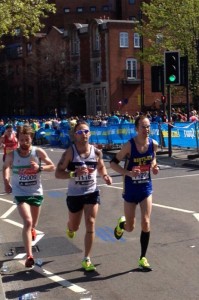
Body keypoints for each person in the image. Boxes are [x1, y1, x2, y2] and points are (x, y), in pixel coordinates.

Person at [55, 121, 112, 271]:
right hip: (75, 194)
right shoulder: (70, 152)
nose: (84, 134)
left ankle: (87, 258)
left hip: (91, 191)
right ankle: (70, 227)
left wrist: (105, 176)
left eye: (86, 131)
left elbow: (101, 166)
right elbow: (58, 173)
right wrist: (74, 173)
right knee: (75, 226)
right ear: (75, 135)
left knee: (91, 222)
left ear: (90, 133)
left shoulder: (97, 152)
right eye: (80, 132)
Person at [110, 115, 159, 271]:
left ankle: (143, 258)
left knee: (146, 221)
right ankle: (121, 224)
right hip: (131, 188)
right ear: (136, 129)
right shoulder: (129, 146)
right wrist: (128, 173)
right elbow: (113, 163)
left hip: (145, 187)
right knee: (130, 227)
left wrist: (154, 166)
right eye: (143, 127)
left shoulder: (153, 144)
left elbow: (153, 159)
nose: (146, 130)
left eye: (148, 126)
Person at [3, 125, 55, 268]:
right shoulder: (12, 155)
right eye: (21, 140)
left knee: (33, 224)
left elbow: (52, 166)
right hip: (20, 192)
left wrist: (40, 168)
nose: (24, 143)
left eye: (27, 140)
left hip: (35, 192)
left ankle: (32, 229)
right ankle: (29, 255)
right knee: (27, 221)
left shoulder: (37, 152)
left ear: (31, 138)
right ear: (17, 139)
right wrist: (6, 182)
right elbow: (6, 166)